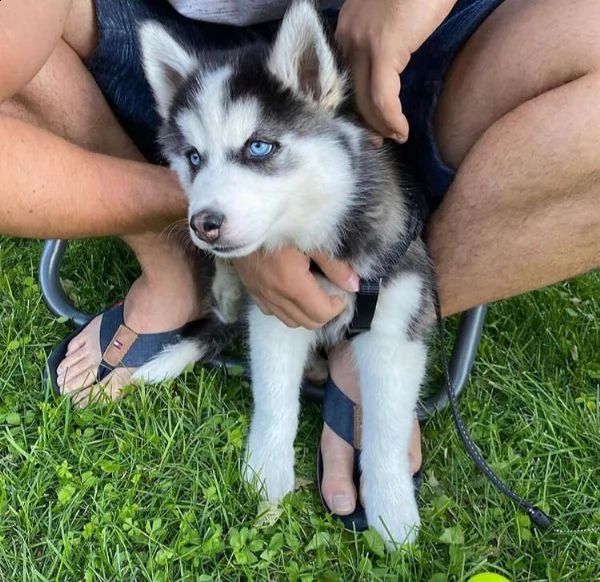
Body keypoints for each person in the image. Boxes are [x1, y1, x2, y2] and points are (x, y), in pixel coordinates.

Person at [1, 0, 599, 525]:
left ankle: (378, 324)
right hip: (176, 28)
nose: (209, 203)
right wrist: (215, 217)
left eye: (258, 152)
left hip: (424, 35)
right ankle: (173, 270)